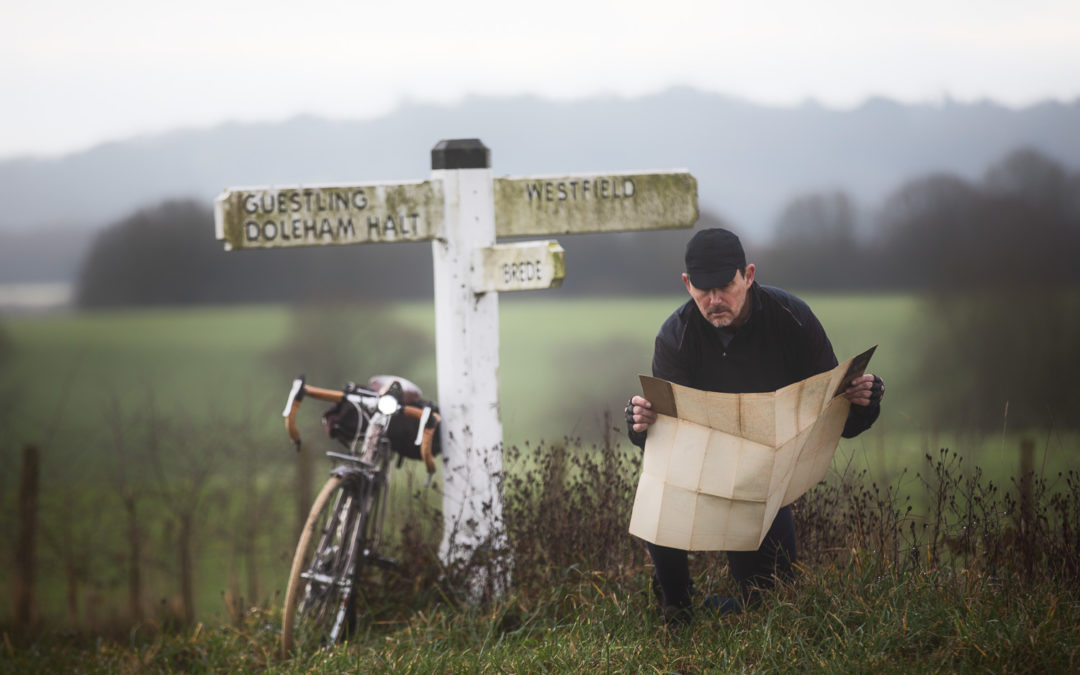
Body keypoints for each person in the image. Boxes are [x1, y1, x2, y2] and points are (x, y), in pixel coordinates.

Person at [625, 227, 884, 624]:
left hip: (767, 482)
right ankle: (676, 605)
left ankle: (718, 606)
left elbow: (841, 425)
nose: (714, 301)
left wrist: (863, 403)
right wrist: (640, 426)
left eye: (725, 286)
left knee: (772, 607)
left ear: (747, 275)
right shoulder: (675, 336)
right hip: (698, 474)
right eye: (702, 289)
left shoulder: (792, 320)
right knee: (657, 492)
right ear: (686, 284)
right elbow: (666, 450)